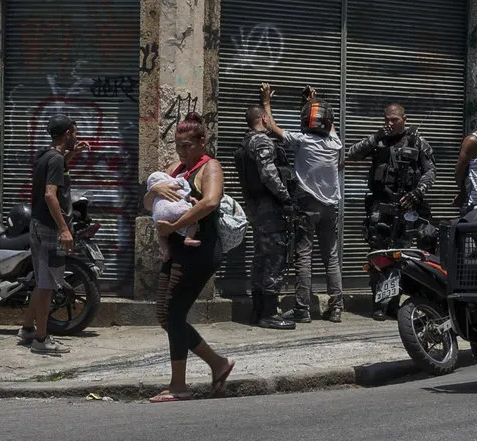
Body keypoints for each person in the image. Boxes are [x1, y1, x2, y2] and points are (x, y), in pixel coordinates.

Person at [144, 112, 235, 402]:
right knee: (165, 314)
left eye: (187, 145)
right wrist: (155, 189)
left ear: (202, 142)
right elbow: (151, 201)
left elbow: (210, 201)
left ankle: (179, 386)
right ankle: (218, 363)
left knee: (172, 314)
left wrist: (176, 225)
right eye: (178, 145)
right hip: (175, 249)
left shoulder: (210, 167)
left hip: (199, 251)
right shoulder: (174, 168)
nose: (182, 151)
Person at [261, 83, 344, 324]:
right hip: (330, 208)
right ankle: (336, 307)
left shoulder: (301, 141)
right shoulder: (334, 142)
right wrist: (313, 103)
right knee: (331, 256)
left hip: (307, 206)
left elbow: (270, 126)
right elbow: (329, 125)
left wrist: (266, 101)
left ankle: (302, 309)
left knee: (304, 255)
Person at [347, 103, 437, 321]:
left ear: (404, 119)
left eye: (394, 120)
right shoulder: (379, 141)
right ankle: (378, 304)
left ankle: (395, 303)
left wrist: (417, 192)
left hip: (406, 207)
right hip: (381, 205)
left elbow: (431, 172)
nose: (389, 123)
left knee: (401, 255)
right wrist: (376, 136)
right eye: (386, 119)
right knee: (378, 255)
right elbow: (352, 154)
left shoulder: (417, 142)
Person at [17, 114, 89, 354]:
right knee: (47, 286)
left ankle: (27, 329)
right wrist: (64, 229)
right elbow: (50, 194)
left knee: (41, 282)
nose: (76, 137)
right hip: (49, 228)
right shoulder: (56, 160)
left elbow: (56, 170)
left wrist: (73, 154)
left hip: (38, 224)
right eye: (75, 133)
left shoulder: (46, 156)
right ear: (67, 133)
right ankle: (41, 339)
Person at [234, 105, 296, 330]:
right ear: (263, 118)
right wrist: (285, 197)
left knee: (261, 256)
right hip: (269, 208)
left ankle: (258, 309)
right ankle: (269, 312)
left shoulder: (245, 143)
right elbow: (268, 174)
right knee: (274, 257)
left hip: (256, 207)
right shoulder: (261, 141)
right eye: (269, 116)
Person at [147, 171, 201, 262]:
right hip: (177, 211)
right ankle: (188, 238)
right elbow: (184, 193)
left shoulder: (155, 192)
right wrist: (191, 199)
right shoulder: (174, 182)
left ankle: (165, 251)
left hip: (160, 216)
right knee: (193, 222)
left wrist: (153, 191)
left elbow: (148, 205)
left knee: (161, 235)